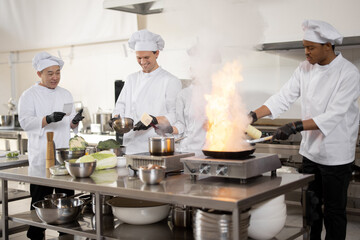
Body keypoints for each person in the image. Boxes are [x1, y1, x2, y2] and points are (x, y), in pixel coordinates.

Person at [249, 20, 359, 240]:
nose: (306, 52)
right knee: (310, 208)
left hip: (336, 155)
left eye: (311, 47)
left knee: (334, 212)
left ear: (328, 46)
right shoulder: (304, 68)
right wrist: (252, 115)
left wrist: (295, 126)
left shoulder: (349, 73)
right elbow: (283, 97)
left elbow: (334, 114)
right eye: (304, 46)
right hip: (310, 152)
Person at [18, 52, 84, 240]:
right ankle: (36, 234)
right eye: (50, 73)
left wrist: (75, 122)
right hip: (41, 157)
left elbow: (69, 124)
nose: (55, 77)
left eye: (57, 73)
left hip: (64, 157)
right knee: (40, 200)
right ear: (39, 73)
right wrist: (47, 119)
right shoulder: (29, 95)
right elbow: (25, 122)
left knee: (67, 200)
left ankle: (67, 232)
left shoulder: (65, 93)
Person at [112, 29, 182, 154]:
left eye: (146, 57)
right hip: (130, 147)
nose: (143, 62)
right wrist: (115, 119)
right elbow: (120, 107)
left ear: (157, 54)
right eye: (139, 58)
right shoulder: (131, 79)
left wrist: (154, 120)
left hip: (155, 146)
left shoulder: (170, 81)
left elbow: (175, 114)